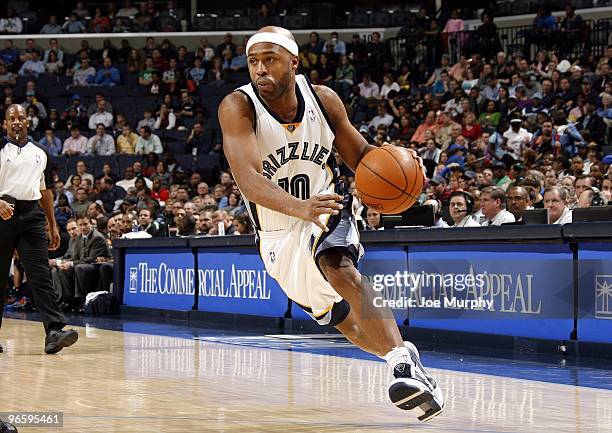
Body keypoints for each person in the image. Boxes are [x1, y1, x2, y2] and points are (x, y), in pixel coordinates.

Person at [218, 26, 443, 421]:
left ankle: (402, 365)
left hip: (326, 205)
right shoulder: (238, 107)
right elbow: (249, 180)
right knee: (344, 323)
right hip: (276, 232)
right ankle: (406, 361)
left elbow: (362, 157)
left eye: (269, 59)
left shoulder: (322, 100)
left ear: (293, 61)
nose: (260, 70)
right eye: (253, 62)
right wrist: (296, 207)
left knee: (337, 265)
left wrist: (402, 163)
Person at [0, 105, 79, 355]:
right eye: (11, 119)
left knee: (41, 275)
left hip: (32, 215)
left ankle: (54, 331)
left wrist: (52, 224)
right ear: (4, 124)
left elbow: (45, 190)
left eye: (21, 118)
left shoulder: (41, 152)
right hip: (2, 212)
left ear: (28, 122)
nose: (16, 122)